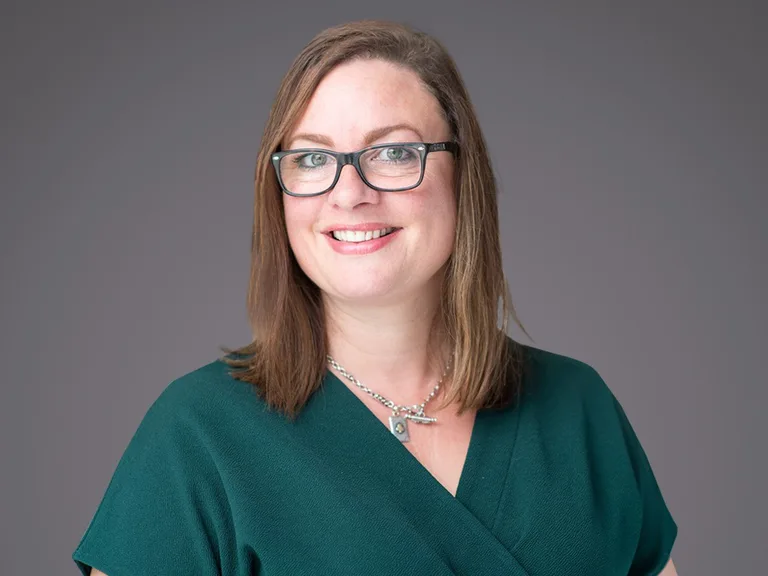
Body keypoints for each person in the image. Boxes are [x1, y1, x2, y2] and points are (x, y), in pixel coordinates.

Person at [73, 19, 678, 575]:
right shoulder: (197, 436)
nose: (349, 193)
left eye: (393, 152)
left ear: (463, 177)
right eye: (312, 158)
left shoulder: (580, 410)